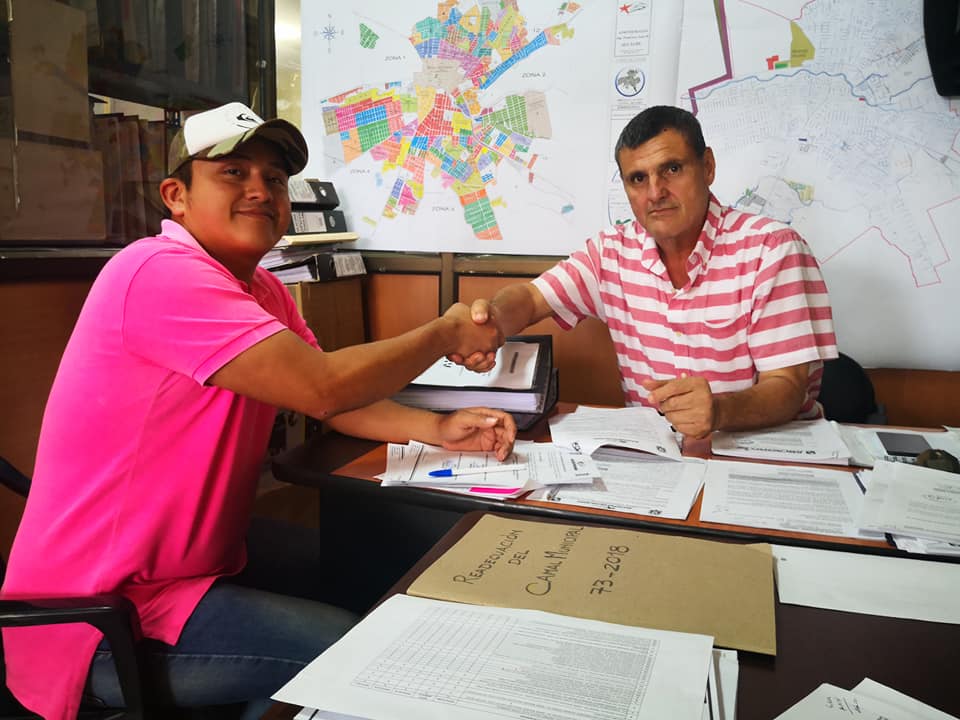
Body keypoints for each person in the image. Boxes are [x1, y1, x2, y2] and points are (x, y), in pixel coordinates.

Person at [0, 102, 515, 720]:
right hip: (100, 618)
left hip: (195, 570)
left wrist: (436, 428)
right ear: (177, 196)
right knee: (361, 656)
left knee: (374, 576)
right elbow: (322, 388)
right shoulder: (158, 272)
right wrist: (445, 333)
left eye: (274, 178)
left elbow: (333, 399)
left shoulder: (261, 288)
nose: (260, 190)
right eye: (233, 172)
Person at [457, 105, 837, 438]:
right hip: (658, 461)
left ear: (707, 167)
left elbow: (787, 387)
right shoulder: (610, 253)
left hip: (765, 457)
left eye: (672, 169)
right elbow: (530, 298)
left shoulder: (771, 249)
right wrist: (493, 320)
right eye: (638, 178)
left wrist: (721, 411)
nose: (655, 192)